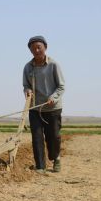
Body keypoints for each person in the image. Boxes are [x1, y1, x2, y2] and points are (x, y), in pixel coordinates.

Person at [23, 35, 65, 173]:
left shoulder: (53, 65)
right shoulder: (27, 67)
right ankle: (40, 166)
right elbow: (26, 85)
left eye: (38, 47)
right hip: (35, 108)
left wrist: (53, 97)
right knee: (37, 137)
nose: (36, 50)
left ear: (45, 48)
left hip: (52, 108)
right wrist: (28, 91)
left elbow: (61, 86)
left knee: (53, 136)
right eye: (33, 48)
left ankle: (56, 158)